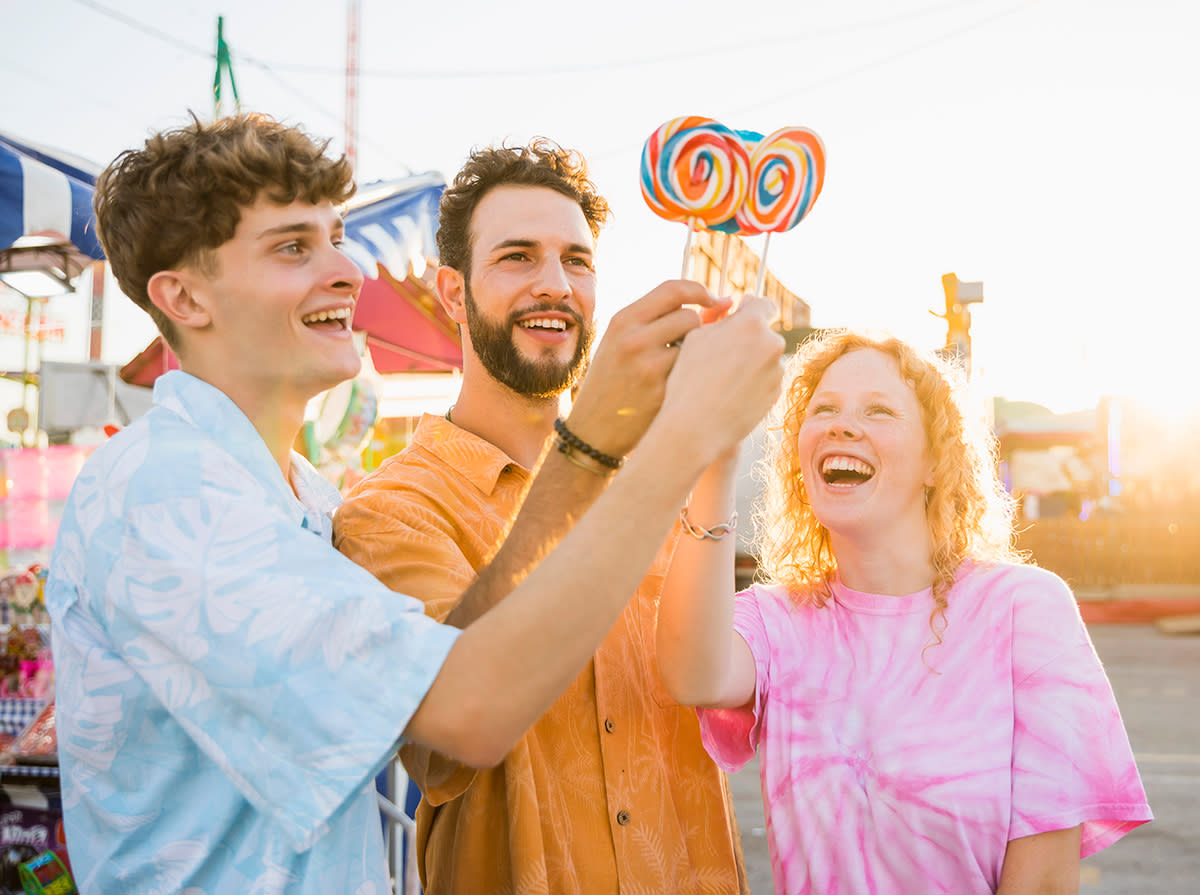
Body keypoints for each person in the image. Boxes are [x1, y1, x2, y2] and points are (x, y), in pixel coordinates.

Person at [44, 114, 785, 894]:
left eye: (337, 238)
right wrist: (652, 440)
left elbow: (453, 672)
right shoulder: (168, 494)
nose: (349, 271)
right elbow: (462, 719)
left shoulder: (300, 498)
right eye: (295, 246)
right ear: (185, 297)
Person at [334, 140, 752, 894]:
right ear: (454, 294)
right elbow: (440, 745)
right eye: (518, 257)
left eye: (577, 261)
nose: (555, 285)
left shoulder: (668, 478)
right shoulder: (390, 510)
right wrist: (595, 450)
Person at [654, 328, 1153, 895]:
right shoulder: (776, 620)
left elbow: (1042, 883)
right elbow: (690, 673)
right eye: (825, 410)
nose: (843, 425)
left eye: (880, 411)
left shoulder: (1025, 610)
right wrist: (713, 462)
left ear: (936, 463)